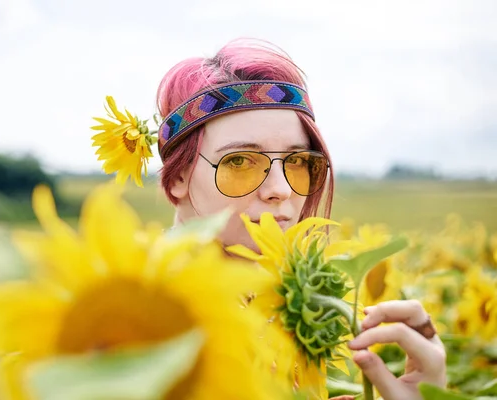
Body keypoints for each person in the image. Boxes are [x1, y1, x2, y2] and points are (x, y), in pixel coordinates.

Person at [152, 39, 447, 400]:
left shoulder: (285, 310)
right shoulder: (141, 325)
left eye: (297, 162)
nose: (281, 189)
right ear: (178, 177)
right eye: (240, 161)